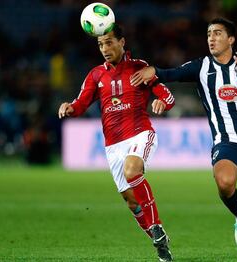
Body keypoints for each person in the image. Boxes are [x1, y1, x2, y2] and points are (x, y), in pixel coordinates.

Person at [131, 17, 237, 262]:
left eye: (218, 33)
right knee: (224, 183)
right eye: (209, 34)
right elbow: (173, 73)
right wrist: (154, 71)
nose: (211, 38)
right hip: (226, 141)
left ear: (231, 39)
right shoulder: (201, 67)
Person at [58, 24, 174, 262]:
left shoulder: (140, 67)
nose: (105, 48)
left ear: (122, 42)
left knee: (132, 170)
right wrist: (69, 108)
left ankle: (157, 228)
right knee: (132, 202)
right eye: (101, 44)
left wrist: (163, 102)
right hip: (113, 145)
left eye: (109, 42)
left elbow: (167, 95)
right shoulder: (96, 75)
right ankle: (158, 241)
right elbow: (80, 104)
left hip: (140, 133)